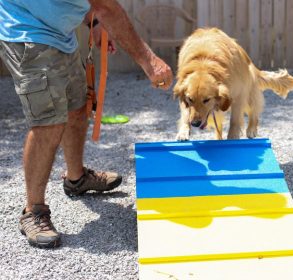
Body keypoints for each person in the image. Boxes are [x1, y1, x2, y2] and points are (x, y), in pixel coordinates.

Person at [0, 0, 173, 248]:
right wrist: (150, 61)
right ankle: (33, 210)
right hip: (28, 29)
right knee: (48, 122)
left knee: (77, 106)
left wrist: (93, 22)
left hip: (58, 31)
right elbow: (107, 7)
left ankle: (76, 178)